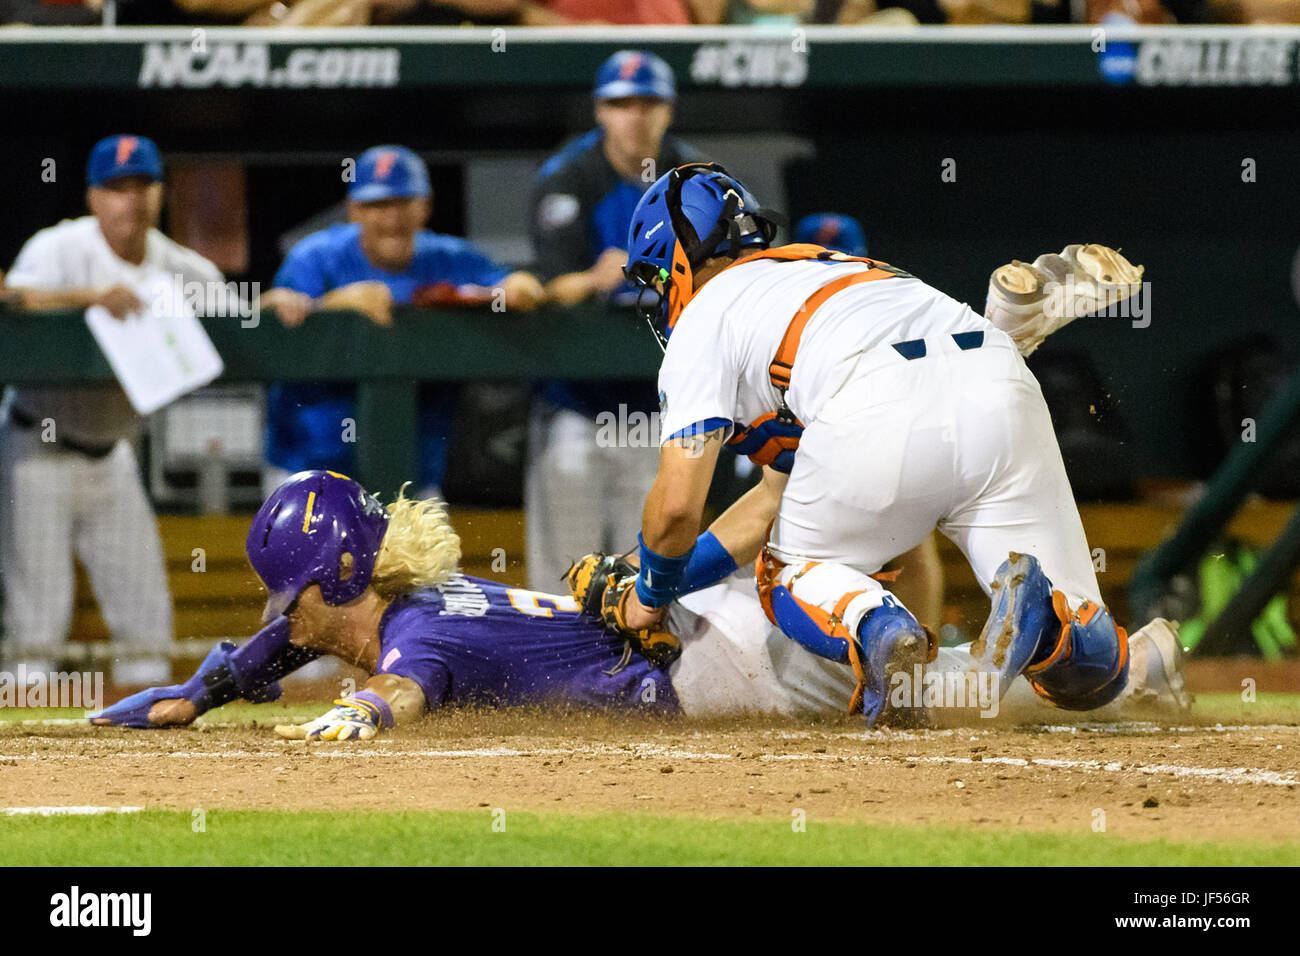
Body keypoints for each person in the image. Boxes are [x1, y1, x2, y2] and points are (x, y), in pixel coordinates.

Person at [608, 161, 1148, 726]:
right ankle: (1050, 620)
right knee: (1092, 673)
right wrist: (651, 575)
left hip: (879, 405)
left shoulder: (707, 315)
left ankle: (878, 625)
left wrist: (644, 595)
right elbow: (769, 501)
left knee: (789, 576)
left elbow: (674, 510)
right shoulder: (832, 266)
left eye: (657, 280)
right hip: (1000, 378)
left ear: (675, 262)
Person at [89, 471, 1188, 736]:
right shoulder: (386, 587)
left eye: (293, 588)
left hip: (706, 669)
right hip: (694, 632)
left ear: (335, 581)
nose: (282, 608)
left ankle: (1110, 659)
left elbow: (407, 684)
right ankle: (1128, 657)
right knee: (827, 553)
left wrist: (365, 714)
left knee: (939, 699)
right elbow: (279, 643)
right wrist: (198, 691)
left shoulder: (410, 626)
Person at [0, 134, 225, 687]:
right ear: (93, 198)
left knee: (147, 617)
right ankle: (25, 754)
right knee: (38, 621)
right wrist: (86, 296)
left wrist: (284, 301)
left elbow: (244, 316)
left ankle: (142, 747)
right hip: (37, 448)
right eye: (116, 188)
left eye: (143, 185)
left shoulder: (181, 266)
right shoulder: (59, 249)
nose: (132, 199)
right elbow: (8, 294)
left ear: (160, 194)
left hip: (111, 454)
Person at [258, 144, 544, 498]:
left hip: (412, 473)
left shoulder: (448, 258)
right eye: (376, 205)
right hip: (308, 468)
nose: (391, 217)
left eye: (402, 202)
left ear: (425, 206)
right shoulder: (315, 258)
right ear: (353, 211)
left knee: (436, 555)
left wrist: (519, 288)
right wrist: (334, 303)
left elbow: (521, 286)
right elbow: (269, 314)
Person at [525, 51, 705, 592]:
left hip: (661, 406)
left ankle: (634, 676)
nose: (636, 116)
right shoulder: (569, 178)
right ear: (601, 111)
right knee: (565, 576)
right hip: (576, 405)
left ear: (668, 111)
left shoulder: (698, 180)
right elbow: (547, 287)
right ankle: (552, 678)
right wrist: (598, 277)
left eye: (647, 102)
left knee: (646, 575)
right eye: (621, 103)